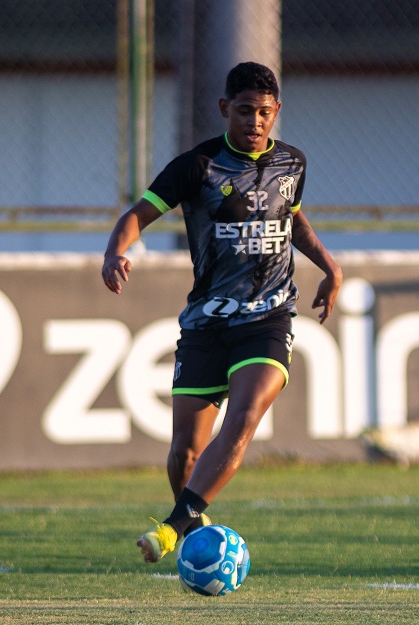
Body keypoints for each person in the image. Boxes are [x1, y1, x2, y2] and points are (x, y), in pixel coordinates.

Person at [101, 61, 343, 563]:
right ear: (224, 109)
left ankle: (172, 529)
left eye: (265, 113)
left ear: (277, 112)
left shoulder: (293, 163)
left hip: (270, 317)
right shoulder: (198, 165)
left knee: (244, 416)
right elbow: (137, 215)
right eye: (245, 111)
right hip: (208, 322)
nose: (256, 122)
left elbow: (290, 218)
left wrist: (328, 265)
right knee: (184, 454)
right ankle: (195, 535)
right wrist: (115, 251)